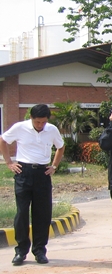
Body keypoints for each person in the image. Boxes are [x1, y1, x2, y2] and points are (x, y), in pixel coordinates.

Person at [0, 104, 65, 265]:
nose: (40, 125)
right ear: (31, 118)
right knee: (22, 212)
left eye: (43, 122)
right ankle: (21, 251)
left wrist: (54, 166)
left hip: (42, 174)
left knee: (42, 214)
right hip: (24, 172)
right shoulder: (20, 127)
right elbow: (3, 140)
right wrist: (9, 162)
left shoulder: (52, 130)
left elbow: (60, 146)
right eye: (37, 122)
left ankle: (39, 250)